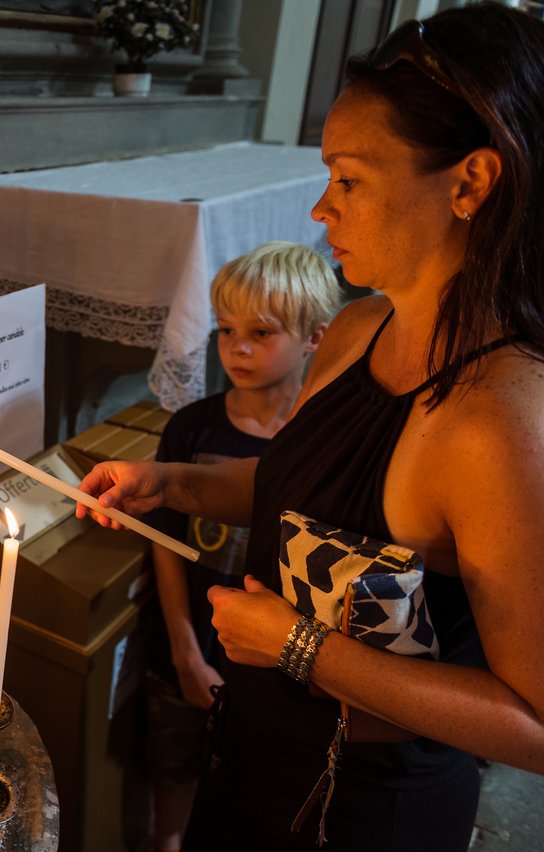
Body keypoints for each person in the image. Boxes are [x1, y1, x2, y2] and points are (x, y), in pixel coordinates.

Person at [77, 5, 544, 850]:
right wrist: (174, 483)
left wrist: (300, 646)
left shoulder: (499, 421)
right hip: (253, 746)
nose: (323, 208)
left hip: (362, 804)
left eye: (351, 179)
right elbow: (306, 496)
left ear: (470, 182)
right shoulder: (361, 328)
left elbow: (533, 723)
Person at [142, 241, 339, 852]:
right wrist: (183, 651)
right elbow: (166, 543)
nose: (238, 348)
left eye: (261, 331)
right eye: (226, 330)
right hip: (192, 639)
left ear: (314, 338)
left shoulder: (321, 435)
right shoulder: (192, 427)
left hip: (276, 657)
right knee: (173, 762)